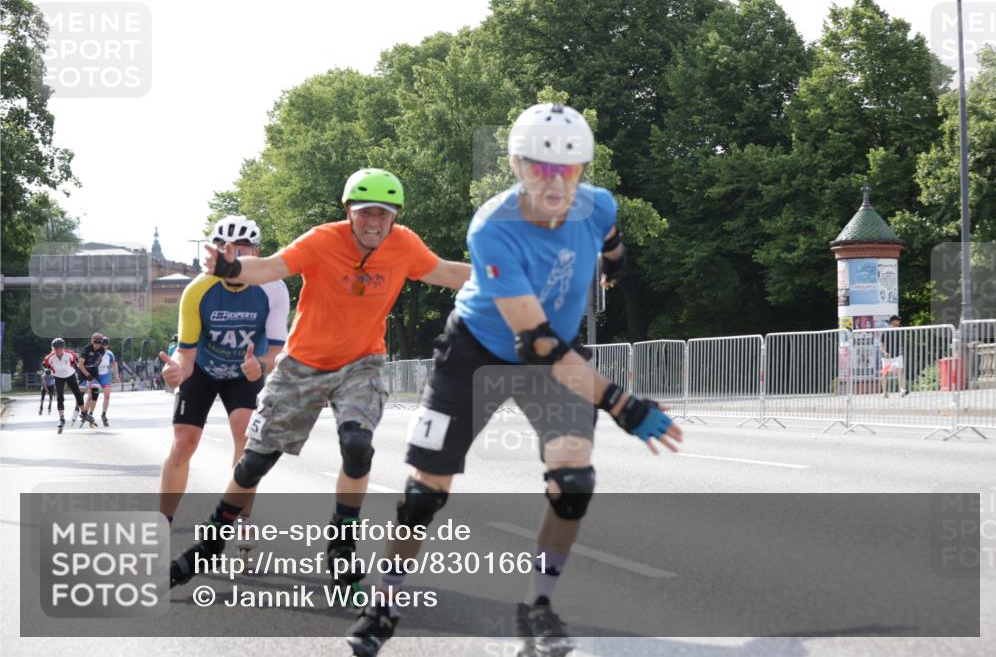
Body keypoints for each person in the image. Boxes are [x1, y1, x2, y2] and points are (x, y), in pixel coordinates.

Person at [346, 104, 683, 657]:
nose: (555, 184)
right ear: (515, 166)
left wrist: (613, 261)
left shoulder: (598, 204)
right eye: (540, 169)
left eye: (568, 170)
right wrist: (622, 403)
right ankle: (384, 599)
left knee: (573, 482)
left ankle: (537, 607)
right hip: (478, 351)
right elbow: (540, 345)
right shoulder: (492, 228)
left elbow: (611, 236)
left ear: (583, 170)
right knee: (424, 493)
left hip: (555, 354)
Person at [168, 168, 470, 590]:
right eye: (365, 212)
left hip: (362, 362)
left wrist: (510, 278)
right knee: (255, 461)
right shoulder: (322, 240)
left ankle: (342, 546)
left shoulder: (404, 244)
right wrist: (230, 268)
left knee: (358, 446)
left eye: (383, 214)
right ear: (349, 212)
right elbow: (269, 267)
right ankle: (212, 540)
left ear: (395, 217)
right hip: (303, 364)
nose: (374, 222)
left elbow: (448, 273)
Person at [157, 215, 289, 529]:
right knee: (184, 442)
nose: (233, 254)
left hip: (246, 371)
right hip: (203, 368)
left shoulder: (273, 289)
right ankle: (163, 520)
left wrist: (261, 365)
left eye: (242, 248)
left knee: (246, 435)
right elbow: (186, 352)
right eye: (225, 247)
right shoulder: (197, 289)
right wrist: (177, 370)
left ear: (256, 253)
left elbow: (277, 352)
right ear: (214, 252)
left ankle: (239, 519)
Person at [41, 338, 86, 432]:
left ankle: (83, 413)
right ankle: (61, 418)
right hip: (58, 377)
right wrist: (48, 370)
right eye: (55, 349)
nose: (57, 350)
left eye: (59, 348)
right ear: (53, 348)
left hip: (70, 375)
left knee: (78, 394)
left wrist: (77, 371)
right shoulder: (49, 357)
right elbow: (45, 365)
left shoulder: (70, 354)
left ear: (63, 348)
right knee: (60, 396)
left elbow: (75, 362)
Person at [78, 332, 105, 426]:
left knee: (95, 393)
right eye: (95, 342)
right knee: (82, 391)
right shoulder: (86, 349)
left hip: (93, 370)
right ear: (92, 341)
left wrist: (93, 371)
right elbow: (80, 365)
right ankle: (79, 410)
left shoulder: (102, 350)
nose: (97, 344)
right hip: (83, 370)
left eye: (99, 342)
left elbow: (99, 360)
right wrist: (88, 376)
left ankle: (89, 414)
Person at [92, 336, 119, 426]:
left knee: (107, 396)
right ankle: (90, 414)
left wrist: (116, 375)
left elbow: (114, 364)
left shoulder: (109, 353)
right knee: (93, 396)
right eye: (103, 345)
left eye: (106, 345)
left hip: (104, 375)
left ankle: (103, 414)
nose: (104, 347)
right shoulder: (94, 352)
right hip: (95, 375)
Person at [880, 315, 908, 398]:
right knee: (885, 373)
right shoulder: (885, 331)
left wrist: (902, 350)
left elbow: (900, 343)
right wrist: (884, 352)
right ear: (892, 321)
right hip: (887, 357)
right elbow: (881, 345)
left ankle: (902, 390)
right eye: (897, 320)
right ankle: (884, 392)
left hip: (897, 355)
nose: (899, 321)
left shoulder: (899, 330)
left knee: (900, 371)